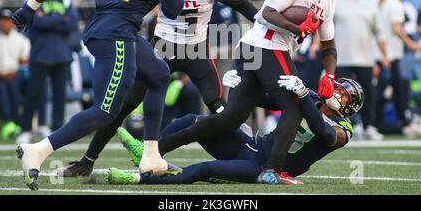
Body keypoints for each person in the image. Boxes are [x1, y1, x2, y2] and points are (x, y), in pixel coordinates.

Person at [56, 0, 258, 178]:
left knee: (219, 107)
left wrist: (261, 22)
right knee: (124, 105)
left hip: (196, 49)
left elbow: (239, 2)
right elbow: (138, 8)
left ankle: (247, 153)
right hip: (163, 46)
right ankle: (87, 160)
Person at [11, 0, 184, 190]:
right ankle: (38, 150)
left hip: (105, 26)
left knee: (159, 74)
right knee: (105, 110)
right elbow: (174, 8)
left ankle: (152, 156)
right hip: (116, 34)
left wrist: (30, 6)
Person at [149, 0, 348, 185]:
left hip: (263, 47)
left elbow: (328, 44)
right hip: (266, 45)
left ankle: (156, 150)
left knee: (231, 118)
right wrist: (296, 26)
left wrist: (329, 74)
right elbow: (267, 13)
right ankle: (271, 170)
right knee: (294, 107)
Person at [107, 75, 363, 185]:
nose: (337, 94)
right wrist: (239, 86)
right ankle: (149, 151)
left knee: (203, 170)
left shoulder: (343, 128)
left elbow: (325, 134)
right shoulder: (314, 99)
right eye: (338, 88)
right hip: (249, 146)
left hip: (263, 168)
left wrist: (305, 96)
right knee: (192, 121)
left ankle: (139, 178)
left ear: (351, 107)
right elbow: (261, 100)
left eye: (344, 95)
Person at [17, 0, 79, 144]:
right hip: (40, 53)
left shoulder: (66, 1)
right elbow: (36, 22)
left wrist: (48, 20)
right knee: (33, 93)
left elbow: (72, 24)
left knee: (60, 95)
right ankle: (26, 129)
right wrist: (60, 20)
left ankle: (56, 129)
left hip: (62, 54)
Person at [334, 0, 388, 140]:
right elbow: (327, 30)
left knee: (367, 95)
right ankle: (349, 125)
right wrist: (315, 46)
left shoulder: (370, 6)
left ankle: (369, 126)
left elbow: (379, 34)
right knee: (341, 96)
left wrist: (383, 56)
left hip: (365, 58)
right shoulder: (338, 4)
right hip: (342, 57)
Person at [374, 0, 421, 138]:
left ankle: (401, 122)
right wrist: (411, 44)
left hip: (380, 52)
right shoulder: (395, 3)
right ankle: (373, 123)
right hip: (389, 54)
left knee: (393, 88)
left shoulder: (381, 2)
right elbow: (397, 29)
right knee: (385, 89)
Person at [0, 9, 30, 139]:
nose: (6, 24)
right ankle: (9, 122)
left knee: (11, 84)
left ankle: (15, 124)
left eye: (9, 21)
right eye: (3, 20)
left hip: (13, 75)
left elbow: (25, 61)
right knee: (2, 85)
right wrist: (2, 75)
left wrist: (16, 72)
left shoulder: (20, 39)